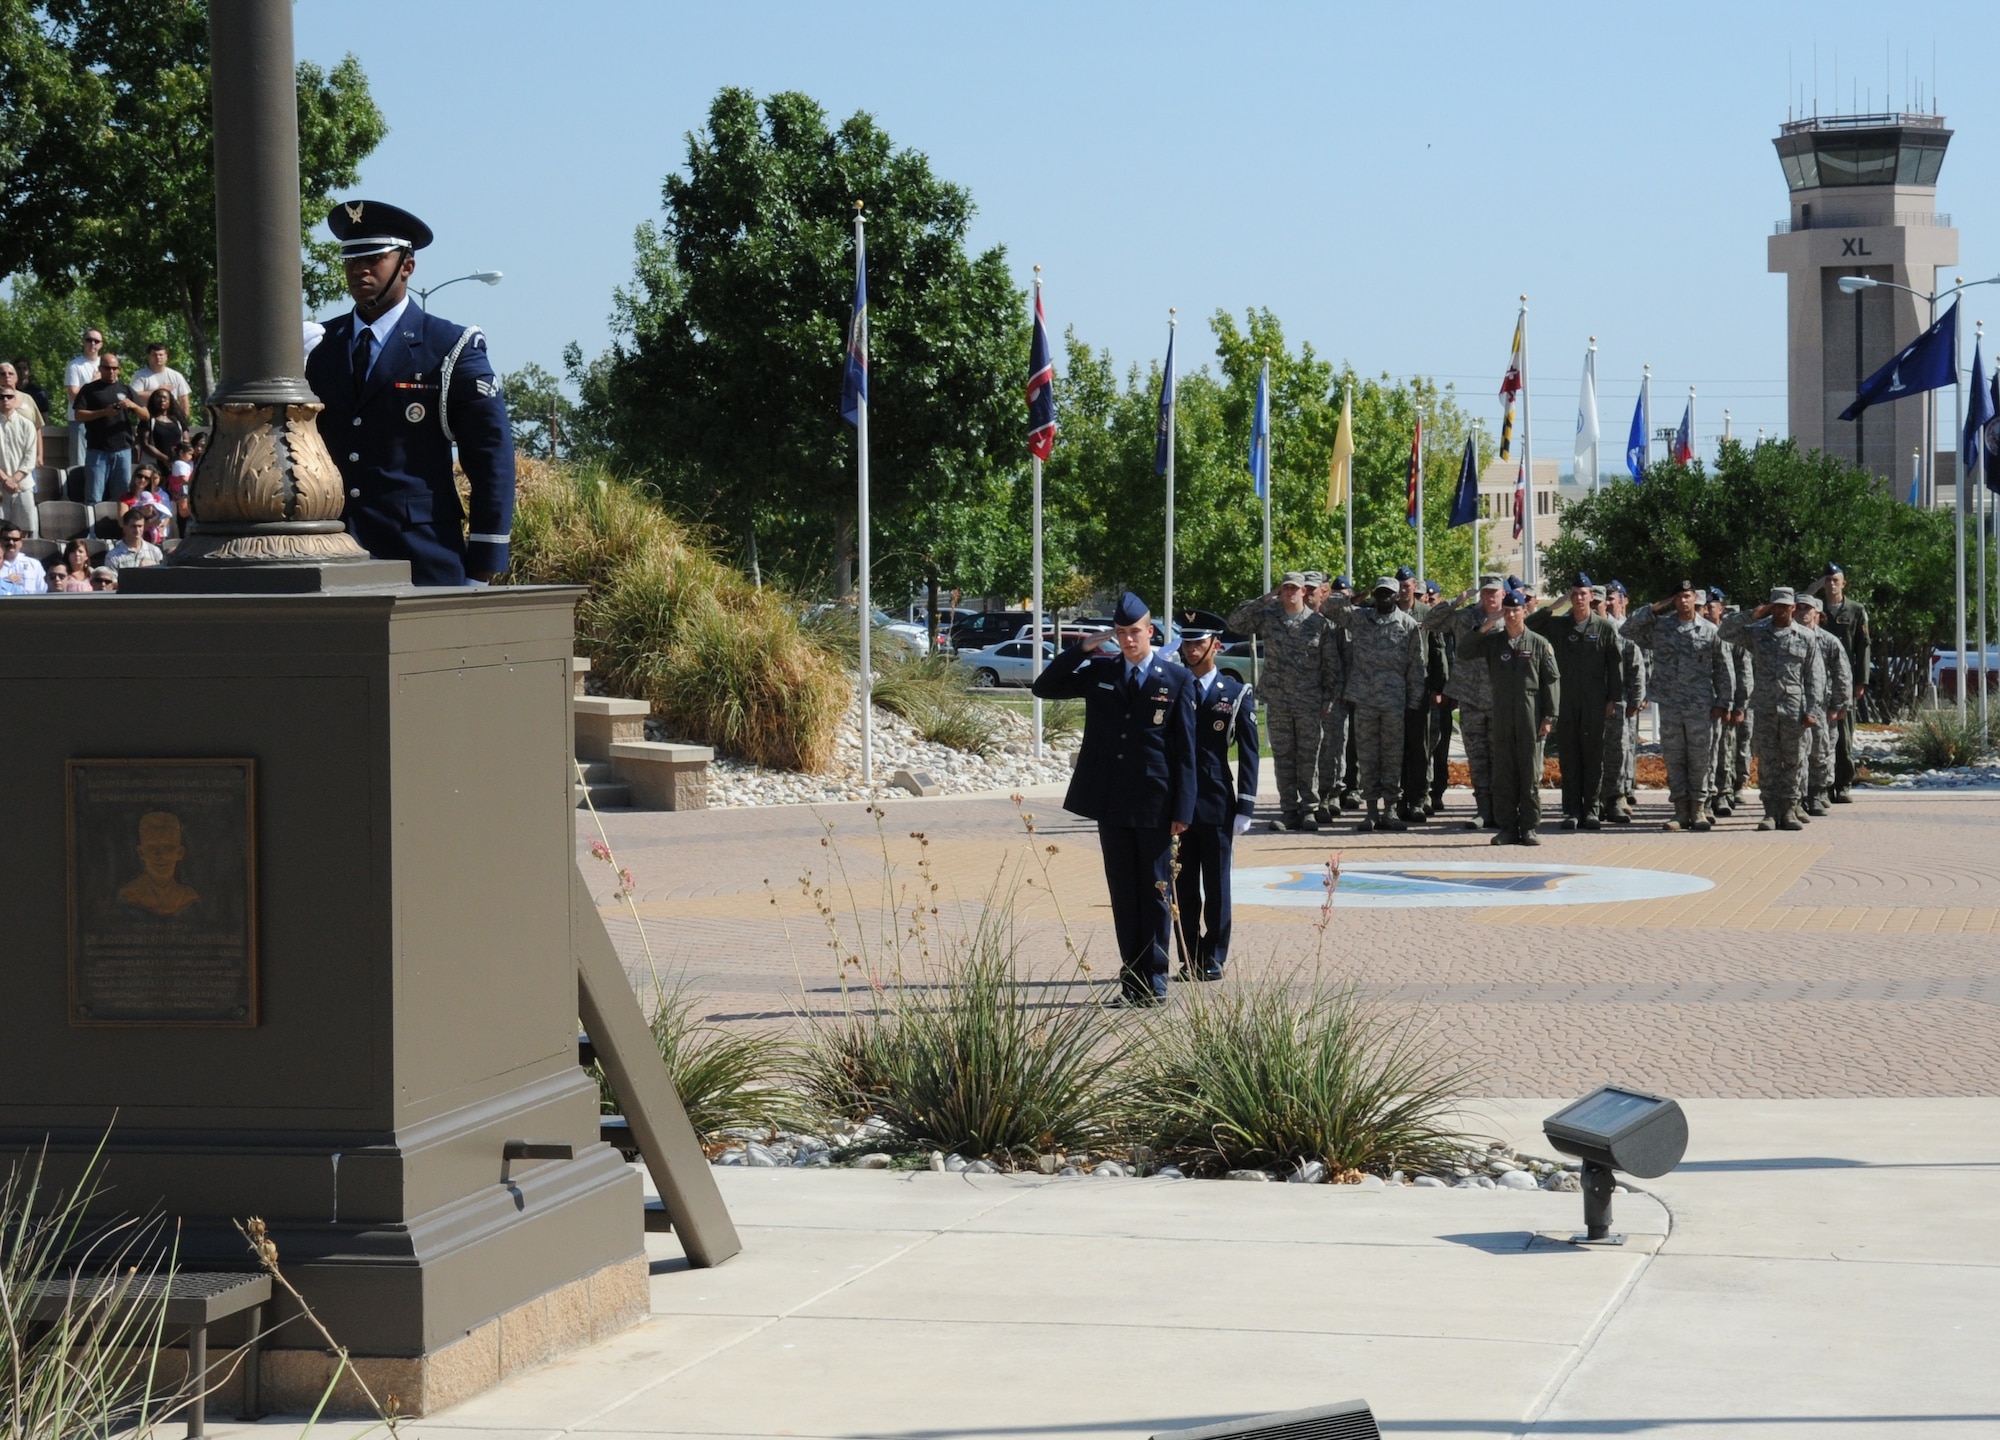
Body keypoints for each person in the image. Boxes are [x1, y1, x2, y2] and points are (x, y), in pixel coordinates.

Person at [305, 199, 516, 585]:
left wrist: (483, 563)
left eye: (374, 257)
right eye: (351, 258)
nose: (359, 269)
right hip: (330, 554)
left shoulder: (450, 345)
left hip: (422, 556)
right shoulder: (318, 346)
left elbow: (491, 460)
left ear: (407, 266)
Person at [1032, 590, 1197, 1006]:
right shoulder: (1100, 670)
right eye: (1120, 633)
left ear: (1151, 632)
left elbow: (1185, 752)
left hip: (1156, 803)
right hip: (1111, 801)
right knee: (1124, 894)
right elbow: (1044, 687)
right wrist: (1083, 647)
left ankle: (1156, 981)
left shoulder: (1175, 679)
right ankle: (1133, 981)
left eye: (1135, 632)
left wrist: (1183, 810)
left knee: (1156, 894)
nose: (1127, 640)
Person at [1172, 628, 1258, 982]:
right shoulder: (1173, 686)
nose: (1191, 650)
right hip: (1179, 801)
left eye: (1198, 643)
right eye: (1186, 643)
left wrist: (1246, 807)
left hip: (1216, 799)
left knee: (1217, 883)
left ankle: (1214, 955)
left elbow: (1250, 753)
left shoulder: (1234, 692)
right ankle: (1189, 955)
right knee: (1183, 883)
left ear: (1215, 646)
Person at [1226, 572, 1339, 831]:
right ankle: (1289, 810)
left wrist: (1328, 700)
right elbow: (1235, 622)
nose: (1290, 593)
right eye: (1285, 588)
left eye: (1294, 589)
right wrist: (1265, 599)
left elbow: (1330, 665)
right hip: (1278, 700)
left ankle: (1309, 809)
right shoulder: (1269, 618)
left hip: (1309, 701)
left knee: (1308, 757)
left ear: (1303, 592)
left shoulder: (1319, 624)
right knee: (1284, 757)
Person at [1319, 577, 1425, 832]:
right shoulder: (1360, 618)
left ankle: (1389, 810)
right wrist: (1350, 599)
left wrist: (1414, 701)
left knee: (1391, 757)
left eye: (1388, 594)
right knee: (1367, 757)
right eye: (1379, 594)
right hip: (1365, 700)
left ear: (1397, 596)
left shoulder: (1408, 624)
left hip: (1394, 702)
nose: (1384, 598)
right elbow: (1327, 608)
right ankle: (1370, 812)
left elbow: (1416, 667)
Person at [1456, 585, 1559, 845]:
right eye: (1508, 611)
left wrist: (1549, 717)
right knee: (1504, 774)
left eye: (1517, 610)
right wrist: (1486, 626)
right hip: (1501, 716)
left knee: (1528, 775)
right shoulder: (1494, 642)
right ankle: (1507, 828)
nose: (1512, 615)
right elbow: (1464, 651)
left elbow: (1551, 681)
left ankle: (1529, 827)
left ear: (1525, 611)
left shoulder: (1538, 643)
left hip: (1530, 717)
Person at [1626, 581, 1733, 831]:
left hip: (1701, 706)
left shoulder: (1711, 631)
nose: (1683, 601)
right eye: (1679, 597)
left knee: (1700, 759)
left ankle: (1698, 809)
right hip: (1671, 705)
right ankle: (1680, 811)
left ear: (1696, 598)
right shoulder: (1663, 628)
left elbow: (1724, 669)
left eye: (1687, 596)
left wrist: (1725, 702)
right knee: (1674, 758)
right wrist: (1658, 606)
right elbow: (1628, 629)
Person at [1720, 588, 1825, 832]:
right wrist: (1753, 614)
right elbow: (1725, 632)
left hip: (1794, 710)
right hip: (1765, 708)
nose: (1780, 610)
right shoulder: (1757, 634)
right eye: (1775, 606)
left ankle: (1789, 810)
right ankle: (1769, 811)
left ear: (1793, 608)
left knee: (1793, 760)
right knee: (1767, 761)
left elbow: (1814, 677)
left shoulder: (1805, 637)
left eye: (1785, 606)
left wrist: (1812, 710)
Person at [1526, 572, 1625, 830]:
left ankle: (1591, 810)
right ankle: (1571, 811)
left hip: (1594, 702)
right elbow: (1529, 625)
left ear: (1591, 597)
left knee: (1593, 757)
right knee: (1569, 757)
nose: (1579, 598)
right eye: (1575, 594)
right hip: (1566, 701)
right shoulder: (1560, 625)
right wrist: (1554, 607)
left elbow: (1614, 665)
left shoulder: (1603, 627)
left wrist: (1613, 698)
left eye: (1584, 594)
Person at [1422, 575, 1506, 828]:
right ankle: (1483, 810)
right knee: (1477, 757)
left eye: (1495, 592)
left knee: (1499, 757)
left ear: (1503, 594)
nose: (1490, 597)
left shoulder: (1511, 617)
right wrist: (1456, 601)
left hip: (1499, 699)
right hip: (1469, 699)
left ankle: (1501, 809)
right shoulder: (1465, 618)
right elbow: (1429, 622)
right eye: (1486, 592)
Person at [1810, 563, 1870, 799]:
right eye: (1827, 580)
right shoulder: (1815, 608)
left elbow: (1863, 646)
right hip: (1817, 677)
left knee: (1843, 734)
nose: (1831, 584)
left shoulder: (1855, 609)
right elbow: (1797, 601)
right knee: (1818, 734)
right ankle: (1821, 784)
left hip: (1843, 679)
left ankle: (1843, 782)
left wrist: (1861, 680)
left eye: (1836, 580)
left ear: (1844, 583)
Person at [1797, 594, 1854, 818]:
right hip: (1795, 705)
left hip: (1822, 705)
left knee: (1821, 752)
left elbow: (1843, 674)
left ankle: (1817, 793)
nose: (1802, 612)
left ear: (1818, 615)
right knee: (1796, 754)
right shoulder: (1790, 637)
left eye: (1807, 609)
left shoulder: (1829, 641)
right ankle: (1798, 797)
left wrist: (1840, 705)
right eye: (1799, 608)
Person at [1599, 581, 1647, 824]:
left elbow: (1639, 663)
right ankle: (1597, 800)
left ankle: (1619, 795)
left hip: (1621, 699)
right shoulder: (1585, 628)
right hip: (1592, 701)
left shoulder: (1626, 630)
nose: (1607, 602)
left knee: (1622, 749)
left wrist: (1639, 696)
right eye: (1603, 598)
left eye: (1611, 597)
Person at [73, 352, 144, 504]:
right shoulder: (89, 389)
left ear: (119, 370)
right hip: (97, 449)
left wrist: (133, 405)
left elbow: (146, 415)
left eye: (114, 368)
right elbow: (78, 415)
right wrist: (104, 412)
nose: (111, 371)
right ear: (100, 369)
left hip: (122, 449)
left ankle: (119, 526)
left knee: (122, 496)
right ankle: (93, 527)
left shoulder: (126, 389)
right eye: (107, 368)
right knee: (94, 496)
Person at [0, 387, 39, 537]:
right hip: (0, 488)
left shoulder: (27, 425)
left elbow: (30, 458)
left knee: (24, 532)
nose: (5, 400)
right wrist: (5, 480)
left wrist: (13, 480)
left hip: (23, 486)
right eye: (1, 397)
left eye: (9, 397)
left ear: (15, 400)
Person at [64, 328, 104, 470]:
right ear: (83, 342)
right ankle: (77, 491)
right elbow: (73, 394)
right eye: (89, 340)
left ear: (101, 344)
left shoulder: (106, 365)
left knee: (100, 464)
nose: (92, 343)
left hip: (102, 421)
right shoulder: (75, 365)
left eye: (96, 341)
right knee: (78, 463)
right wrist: (93, 384)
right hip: (79, 421)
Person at [128, 343, 192, 423]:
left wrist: (184, 421)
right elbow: (133, 396)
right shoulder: (140, 375)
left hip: (172, 422)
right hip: (148, 420)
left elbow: (184, 399)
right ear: (148, 357)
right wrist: (158, 390)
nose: (158, 357)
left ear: (166, 356)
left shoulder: (176, 376)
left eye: (161, 355)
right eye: (154, 355)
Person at [136, 388, 185, 474]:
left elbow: (185, 441)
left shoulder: (178, 422)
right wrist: (165, 459)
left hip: (175, 465)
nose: (162, 400)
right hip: (153, 465)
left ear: (170, 401)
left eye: (164, 398)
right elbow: (145, 444)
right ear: (153, 400)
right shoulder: (148, 420)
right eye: (158, 397)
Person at [0, 523, 47, 593]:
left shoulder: (34, 564)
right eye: (7, 539)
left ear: (21, 543)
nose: (11, 542)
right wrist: (5, 583)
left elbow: (42, 591)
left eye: (15, 539)